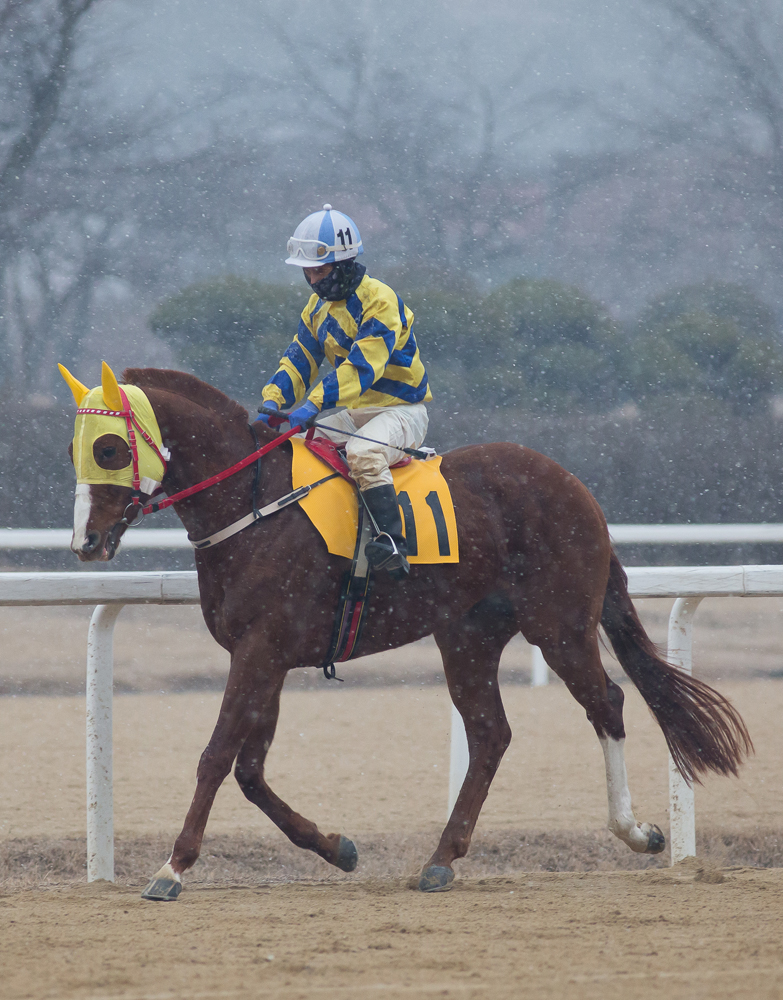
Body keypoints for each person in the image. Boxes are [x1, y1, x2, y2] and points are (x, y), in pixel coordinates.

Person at [257, 204, 431, 580]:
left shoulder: (380, 301)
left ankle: (393, 543)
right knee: (296, 445)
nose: (313, 280)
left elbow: (361, 368)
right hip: (354, 413)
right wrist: (274, 399)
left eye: (320, 270)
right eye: (307, 271)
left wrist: (314, 404)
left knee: (363, 451)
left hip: (401, 411)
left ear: (344, 263)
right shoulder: (316, 308)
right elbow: (300, 358)